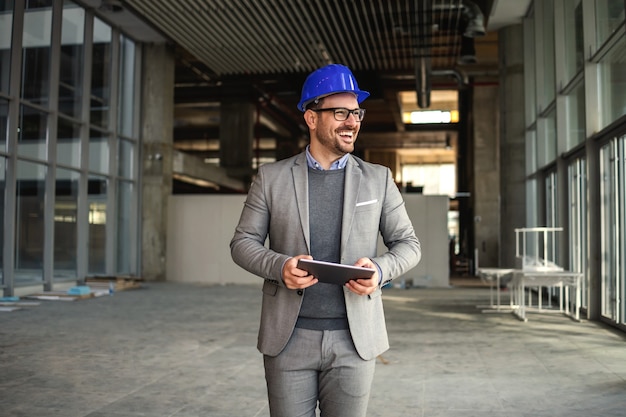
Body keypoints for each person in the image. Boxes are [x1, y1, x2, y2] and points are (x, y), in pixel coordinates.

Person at [230, 63, 421, 417]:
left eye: (356, 113)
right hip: (288, 339)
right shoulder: (272, 178)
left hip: (355, 339)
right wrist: (280, 265)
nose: (352, 122)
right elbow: (243, 243)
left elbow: (409, 244)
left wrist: (379, 270)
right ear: (311, 118)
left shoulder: (378, 179)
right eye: (340, 113)